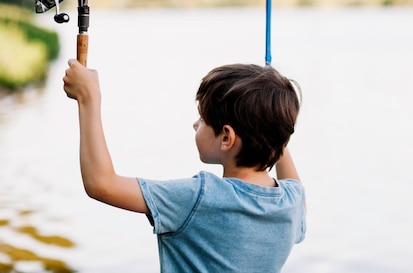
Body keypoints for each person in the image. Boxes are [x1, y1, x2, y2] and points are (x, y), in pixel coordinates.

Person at [63, 60, 306, 273]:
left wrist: (88, 98)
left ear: (226, 138)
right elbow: (294, 185)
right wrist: (270, 125)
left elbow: (101, 184)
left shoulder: (199, 198)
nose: (195, 124)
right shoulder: (291, 203)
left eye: (202, 119)